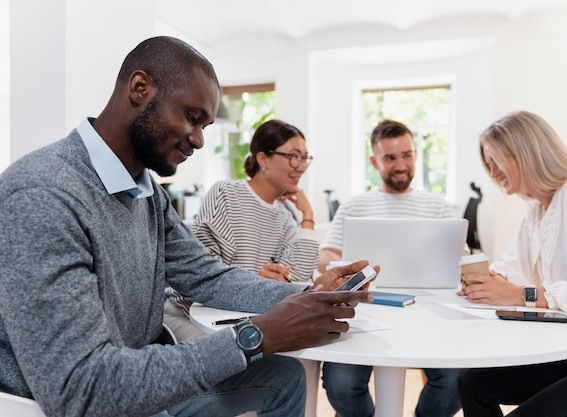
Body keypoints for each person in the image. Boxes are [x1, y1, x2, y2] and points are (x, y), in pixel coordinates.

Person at [0, 36, 373, 417]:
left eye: (205, 126)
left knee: (285, 377)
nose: (197, 140)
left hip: (139, 375)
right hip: (84, 401)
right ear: (139, 88)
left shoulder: (147, 195)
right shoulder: (42, 195)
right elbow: (84, 390)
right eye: (192, 118)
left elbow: (209, 277)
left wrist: (307, 292)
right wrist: (256, 335)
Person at [458, 110, 567, 416]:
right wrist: (481, 280)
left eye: (495, 160)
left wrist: (522, 294)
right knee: (471, 385)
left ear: (526, 153)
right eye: (488, 164)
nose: (492, 172)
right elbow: (512, 267)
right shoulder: (538, 211)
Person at [319, 119, 463, 417]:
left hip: (428, 311)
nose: (401, 165)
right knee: (342, 385)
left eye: (407, 155)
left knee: (456, 381)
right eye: (390, 158)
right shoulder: (355, 206)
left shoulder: (437, 206)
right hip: (364, 309)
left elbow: (458, 258)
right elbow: (327, 256)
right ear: (374, 161)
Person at [164, 118, 320, 341]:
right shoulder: (225, 194)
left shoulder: (285, 218)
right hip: (191, 314)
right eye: (294, 156)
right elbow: (202, 276)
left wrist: (308, 217)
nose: (302, 166)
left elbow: (300, 279)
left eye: (305, 158)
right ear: (263, 159)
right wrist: (257, 283)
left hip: (242, 317)